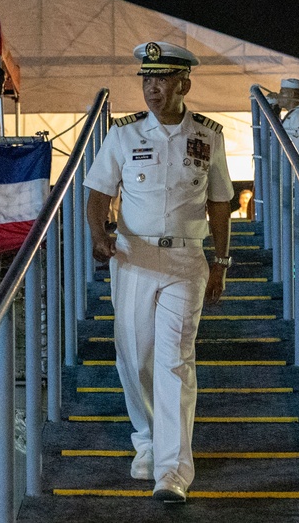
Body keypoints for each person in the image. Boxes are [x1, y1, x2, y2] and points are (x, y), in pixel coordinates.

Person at [84, 41, 234, 503]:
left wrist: (221, 263)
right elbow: (97, 193)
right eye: (147, 80)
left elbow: (220, 201)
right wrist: (98, 235)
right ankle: (147, 440)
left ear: (183, 84)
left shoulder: (209, 135)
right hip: (133, 257)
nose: (153, 88)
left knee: (174, 360)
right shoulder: (123, 135)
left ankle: (172, 471)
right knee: (135, 356)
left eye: (163, 80)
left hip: (187, 259)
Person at [275, 78, 299, 160]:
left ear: (291, 94)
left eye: (282, 93)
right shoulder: (293, 115)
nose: (279, 96)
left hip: (293, 170)